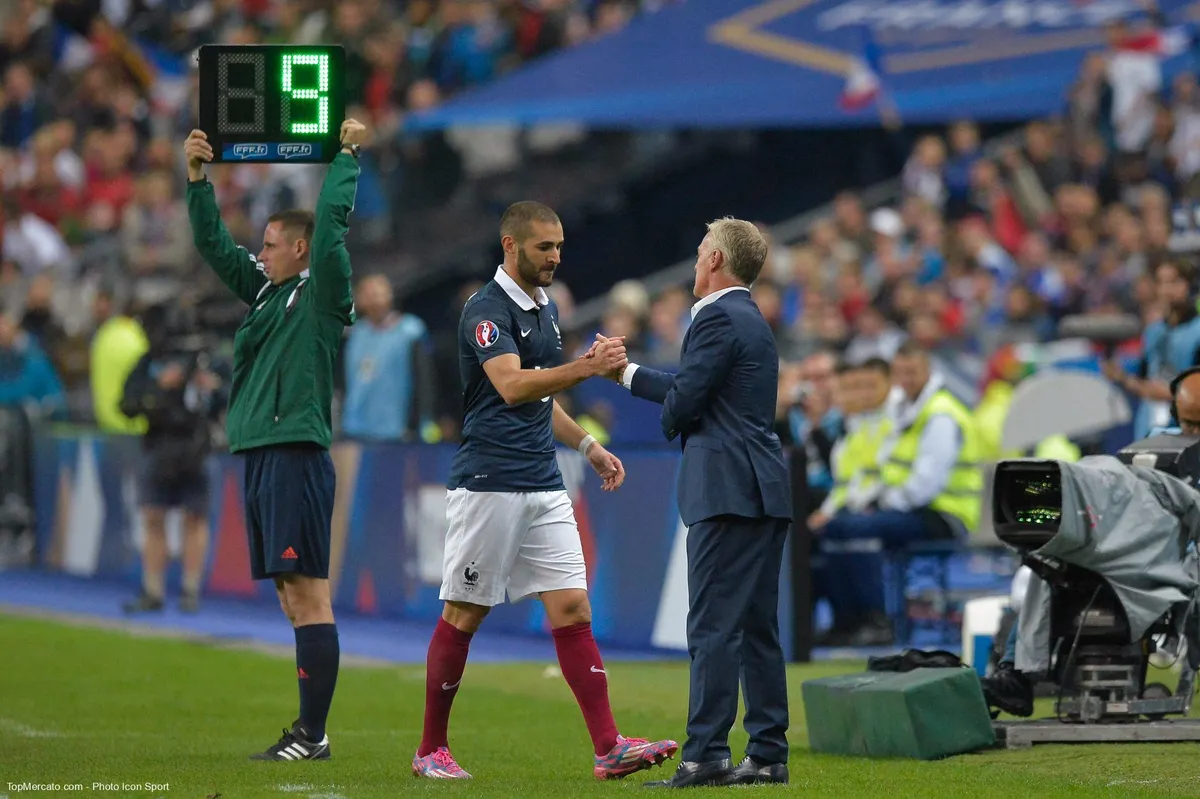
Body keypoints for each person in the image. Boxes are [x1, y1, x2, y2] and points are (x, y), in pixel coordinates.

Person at [412, 201, 678, 781]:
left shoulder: (545, 308)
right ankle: (431, 749)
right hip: (491, 481)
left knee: (572, 607)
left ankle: (608, 748)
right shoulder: (485, 310)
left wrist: (587, 445)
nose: (555, 256)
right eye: (544, 247)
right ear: (510, 246)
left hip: (542, 479)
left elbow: (540, 396)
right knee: (464, 613)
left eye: (559, 246)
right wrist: (586, 368)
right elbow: (511, 386)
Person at [183, 120, 365, 761]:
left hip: (294, 453)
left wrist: (345, 156)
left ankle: (312, 735)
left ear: (300, 249)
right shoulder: (266, 294)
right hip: (261, 452)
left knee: (309, 592)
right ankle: (309, 730)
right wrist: (198, 178)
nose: (258, 254)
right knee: (291, 595)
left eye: (269, 245)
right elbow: (213, 245)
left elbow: (335, 228)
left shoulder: (320, 294)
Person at [616, 218, 793, 788]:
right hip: (762, 488)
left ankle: (707, 755)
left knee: (714, 625)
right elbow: (697, 386)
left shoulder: (715, 316)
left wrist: (671, 413)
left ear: (716, 258)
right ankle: (767, 753)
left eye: (698, 254)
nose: (694, 264)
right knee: (757, 627)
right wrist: (623, 372)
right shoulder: (751, 319)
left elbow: (686, 401)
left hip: (727, 489)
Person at [119, 305, 226, 614]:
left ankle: (191, 590)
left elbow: (237, 395)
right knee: (154, 516)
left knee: (196, 517)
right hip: (160, 444)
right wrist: (158, 386)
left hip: (197, 445)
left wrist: (214, 388)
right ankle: (153, 589)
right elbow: (126, 402)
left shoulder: (211, 360)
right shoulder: (150, 362)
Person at [1104, 260, 1200, 438]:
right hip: (1148, 431)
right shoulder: (1153, 331)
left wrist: (1166, 393)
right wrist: (1122, 378)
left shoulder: (1197, 332)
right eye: (1161, 282)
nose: (1166, 290)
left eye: (1173, 282)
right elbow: (1145, 378)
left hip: (1187, 435)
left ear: (1190, 285)